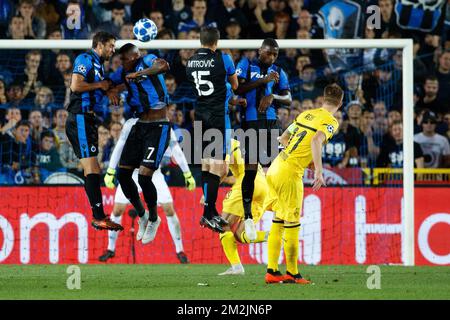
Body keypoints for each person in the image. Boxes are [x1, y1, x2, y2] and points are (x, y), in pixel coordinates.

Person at [263, 83, 343, 284]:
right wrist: (318, 170)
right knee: (292, 223)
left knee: (279, 220)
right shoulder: (331, 121)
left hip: (277, 165)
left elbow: (283, 137)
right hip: (290, 174)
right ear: (340, 103)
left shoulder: (306, 114)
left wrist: (297, 156)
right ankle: (292, 273)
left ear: (323, 99)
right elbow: (316, 140)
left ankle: (272, 271)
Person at [99, 116, 196, 263]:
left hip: (153, 173)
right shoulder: (131, 123)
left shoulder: (165, 125)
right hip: (131, 172)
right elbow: (120, 145)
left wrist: (187, 173)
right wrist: (111, 170)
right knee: (117, 209)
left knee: (169, 209)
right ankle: (110, 248)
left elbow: (176, 150)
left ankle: (180, 250)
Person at [107, 43, 171, 244]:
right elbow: (108, 82)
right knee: (123, 174)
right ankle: (143, 215)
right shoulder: (123, 72)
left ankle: (154, 218)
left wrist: (139, 73)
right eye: (119, 61)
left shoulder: (147, 60)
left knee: (144, 177)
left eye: (124, 60)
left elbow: (163, 65)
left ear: (134, 57)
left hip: (158, 126)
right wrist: (111, 91)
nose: (121, 64)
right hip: (139, 125)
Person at [65, 31, 123, 231]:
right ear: (100, 44)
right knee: (91, 169)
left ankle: (99, 216)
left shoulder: (99, 65)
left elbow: (103, 86)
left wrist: (111, 89)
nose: (113, 50)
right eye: (111, 46)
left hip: (88, 120)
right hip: (79, 117)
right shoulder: (85, 58)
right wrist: (101, 85)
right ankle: (98, 217)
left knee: (95, 169)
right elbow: (75, 85)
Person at [234, 38, 291, 240]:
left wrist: (273, 97)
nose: (272, 57)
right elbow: (237, 89)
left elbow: (289, 99)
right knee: (250, 171)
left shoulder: (279, 71)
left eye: (275, 54)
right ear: (260, 51)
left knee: (279, 170)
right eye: (269, 53)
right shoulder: (246, 65)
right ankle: (248, 217)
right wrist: (263, 81)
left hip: (272, 124)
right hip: (251, 124)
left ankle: (283, 214)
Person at [185, 26, 238, 233]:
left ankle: (209, 212)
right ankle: (209, 212)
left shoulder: (190, 62)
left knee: (209, 165)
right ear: (217, 41)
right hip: (217, 117)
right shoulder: (224, 59)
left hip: (200, 115)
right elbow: (234, 85)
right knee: (219, 168)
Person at [216, 139, 269, 275]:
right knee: (240, 234)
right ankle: (275, 236)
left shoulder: (225, 143)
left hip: (247, 183)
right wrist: (227, 180)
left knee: (223, 224)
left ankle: (237, 267)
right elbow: (236, 175)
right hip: (262, 186)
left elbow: (223, 170)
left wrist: (209, 191)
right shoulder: (244, 144)